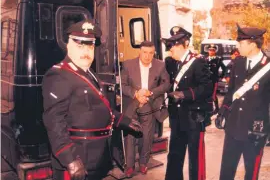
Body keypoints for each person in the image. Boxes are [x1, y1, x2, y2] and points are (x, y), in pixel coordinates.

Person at [42, 19, 142, 180]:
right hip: (78, 159)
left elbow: (98, 108)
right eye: (79, 46)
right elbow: (55, 123)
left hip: (97, 157)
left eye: (89, 46)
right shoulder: (58, 75)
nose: (85, 51)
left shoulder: (89, 73)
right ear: (68, 46)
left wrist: (123, 120)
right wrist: (70, 159)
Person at [215, 24, 270, 180]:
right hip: (233, 127)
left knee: (251, 173)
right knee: (226, 171)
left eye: (241, 43)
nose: (237, 45)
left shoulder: (268, 66)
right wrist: (223, 111)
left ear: (253, 45)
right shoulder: (238, 63)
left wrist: (266, 129)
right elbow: (231, 91)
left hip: (255, 130)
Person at [163, 26, 213, 180]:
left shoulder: (198, 62)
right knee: (175, 155)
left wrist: (184, 94)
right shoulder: (171, 62)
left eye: (172, 47)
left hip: (193, 117)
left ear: (182, 46)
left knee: (195, 158)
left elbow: (206, 88)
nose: (170, 50)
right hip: (177, 117)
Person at [121, 40, 170, 178]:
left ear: (153, 53)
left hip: (149, 104)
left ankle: (143, 163)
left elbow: (167, 84)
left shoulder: (160, 65)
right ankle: (129, 166)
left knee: (147, 136)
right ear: (139, 52)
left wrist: (152, 92)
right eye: (144, 52)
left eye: (150, 53)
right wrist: (136, 94)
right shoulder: (128, 64)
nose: (147, 56)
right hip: (132, 104)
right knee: (130, 135)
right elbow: (122, 85)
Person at [205, 44, 227, 113]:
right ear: (208, 51)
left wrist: (221, 76)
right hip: (206, 80)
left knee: (213, 95)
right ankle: (209, 108)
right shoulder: (205, 59)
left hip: (214, 80)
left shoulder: (217, 60)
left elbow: (224, 68)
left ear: (215, 51)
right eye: (210, 50)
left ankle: (216, 108)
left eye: (213, 50)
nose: (211, 52)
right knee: (207, 93)